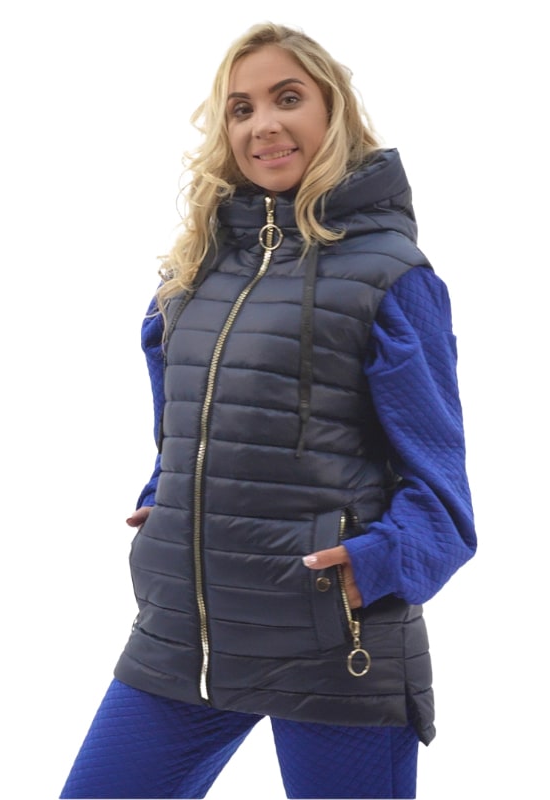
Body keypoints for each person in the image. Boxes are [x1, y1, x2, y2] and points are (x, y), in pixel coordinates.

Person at [60, 22, 476, 800]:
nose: (264, 125)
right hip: (182, 639)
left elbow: (443, 499)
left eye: (288, 98)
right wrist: (165, 501)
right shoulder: (192, 275)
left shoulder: (390, 276)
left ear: (332, 111)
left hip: (334, 651)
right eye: (241, 108)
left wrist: (368, 571)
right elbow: (181, 432)